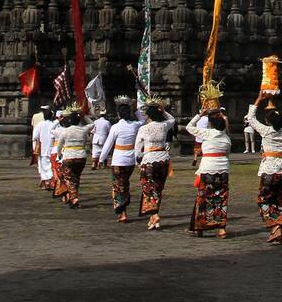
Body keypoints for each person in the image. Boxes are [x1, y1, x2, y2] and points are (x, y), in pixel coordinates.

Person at [247, 93, 282, 244]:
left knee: (264, 200)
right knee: (281, 201)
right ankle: (278, 229)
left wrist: (259, 98)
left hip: (269, 171)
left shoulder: (266, 131)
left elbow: (251, 118)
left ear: (267, 122)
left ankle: (275, 228)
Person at [187, 108, 231, 238]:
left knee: (203, 198)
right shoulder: (227, 139)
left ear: (211, 124)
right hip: (223, 170)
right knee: (221, 199)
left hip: (208, 169)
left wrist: (199, 115)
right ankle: (221, 228)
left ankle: (200, 226)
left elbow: (189, 127)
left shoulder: (207, 133)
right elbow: (227, 154)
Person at [134, 99, 177, 230]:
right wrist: (162, 110)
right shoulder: (164, 125)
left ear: (148, 115)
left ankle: (155, 214)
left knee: (148, 190)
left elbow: (137, 146)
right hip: (163, 160)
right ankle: (153, 220)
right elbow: (173, 119)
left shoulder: (143, 128)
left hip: (149, 160)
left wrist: (137, 160)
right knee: (158, 189)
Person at [98, 99, 142, 222]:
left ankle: (122, 211)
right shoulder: (135, 125)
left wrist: (102, 158)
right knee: (124, 183)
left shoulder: (115, 127)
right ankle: (123, 206)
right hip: (130, 161)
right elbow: (143, 121)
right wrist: (136, 110)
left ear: (118, 114)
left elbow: (108, 144)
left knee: (118, 185)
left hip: (118, 160)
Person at [55, 106, 94, 207]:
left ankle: (73, 197)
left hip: (68, 156)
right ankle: (73, 197)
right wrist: (83, 115)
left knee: (67, 177)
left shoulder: (65, 131)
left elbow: (59, 145)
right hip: (81, 156)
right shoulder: (83, 129)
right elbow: (92, 124)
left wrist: (59, 155)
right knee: (76, 177)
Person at [33, 106, 56, 191]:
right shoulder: (53, 125)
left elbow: (35, 136)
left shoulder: (40, 125)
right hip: (52, 148)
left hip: (42, 148)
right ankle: (50, 181)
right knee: (50, 165)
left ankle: (46, 181)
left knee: (43, 166)